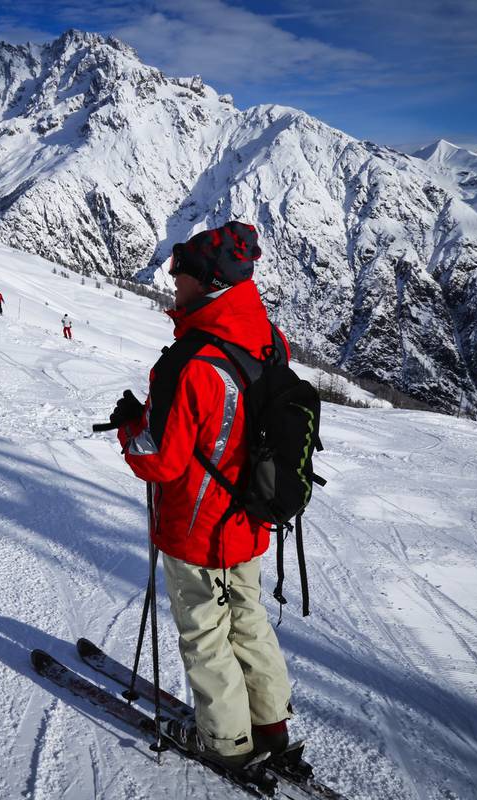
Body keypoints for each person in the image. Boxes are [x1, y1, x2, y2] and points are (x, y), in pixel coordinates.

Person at [108, 221, 292, 770]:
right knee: (247, 617)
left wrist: (129, 426)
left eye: (178, 271)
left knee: (205, 632)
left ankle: (226, 741)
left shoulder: (188, 361)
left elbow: (158, 458)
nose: (171, 280)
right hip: (250, 514)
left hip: (196, 523)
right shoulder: (268, 338)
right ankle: (271, 723)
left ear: (206, 281)